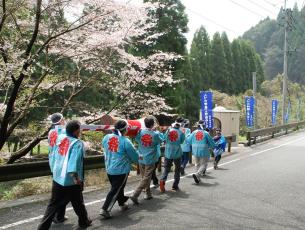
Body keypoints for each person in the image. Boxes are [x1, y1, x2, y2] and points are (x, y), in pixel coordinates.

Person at [38, 120, 92, 230]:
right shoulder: (77, 143)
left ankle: (42, 227)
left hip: (58, 177)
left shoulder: (60, 138)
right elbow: (73, 164)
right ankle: (83, 222)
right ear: (76, 131)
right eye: (79, 130)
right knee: (78, 202)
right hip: (70, 180)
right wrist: (76, 179)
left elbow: (53, 154)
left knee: (53, 204)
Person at [100, 120, 139, 219]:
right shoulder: (125, 141)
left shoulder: (106, 137)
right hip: (121, 170)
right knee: (115, 189)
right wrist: (136, 159)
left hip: (109, 167)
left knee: (118, 188)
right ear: (125, 129)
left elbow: (104, 146)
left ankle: (122, 204)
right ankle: (105, 209)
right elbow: (134, 156)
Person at [130, 116, 163, 204]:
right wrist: (157, 132)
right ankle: (135, 194)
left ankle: (148, 193)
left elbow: (136, 139)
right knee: (146, 177)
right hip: (150, 158)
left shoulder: (140, 132)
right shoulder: (155, 134)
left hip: (141, 157)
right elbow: (161, 141)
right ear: (153, 124)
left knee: (144, 177)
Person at [48, 113, 68, 224]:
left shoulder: (51, 132)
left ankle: (59, 216)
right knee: (65, 192)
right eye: (63, 119)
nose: (65, 121)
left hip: (53, 163)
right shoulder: (64, 132)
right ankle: (58, 215)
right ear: (60, 121)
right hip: (62, 165)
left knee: (58, 192)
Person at [159, 117, 185, 192]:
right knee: (177, 169)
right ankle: (175, 186)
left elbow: (164, 139)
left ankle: (162, 181)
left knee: (166, 169)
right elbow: (181, 142)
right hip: (177, 152)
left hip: (168, 152)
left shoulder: (168, 130)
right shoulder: (181, 132)